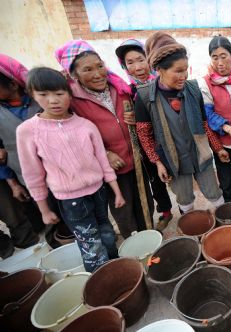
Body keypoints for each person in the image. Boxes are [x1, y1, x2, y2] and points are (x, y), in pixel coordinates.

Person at [17, 67, 123, 272]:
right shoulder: (28, 131)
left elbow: (102, 160)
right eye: (43, 95)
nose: (53, 100)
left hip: (99, 191)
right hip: (70, 199)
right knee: (89, 241)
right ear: (32, 95)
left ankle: (117, 265)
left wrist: (116, 191)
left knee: (106, 230)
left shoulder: (85, 125)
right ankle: (101, 278)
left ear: (69, 94)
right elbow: (33, 175)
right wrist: (44, 210)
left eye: (59, 93)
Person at [55, 40, 153, 238]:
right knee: (123, 210)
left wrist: (135, 116)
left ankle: (150, 235)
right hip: (110, 167)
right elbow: (71, 137)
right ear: (74, 75)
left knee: (146, 203)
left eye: (100, 66)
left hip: (135, 157)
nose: (98, 74)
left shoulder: (121, 89)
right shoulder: (72, 100)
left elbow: (139, 117)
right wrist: (105, 154)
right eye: (88, 69)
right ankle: (135, 243)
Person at [135, 32, 224, 214]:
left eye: (185, 69)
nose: (184, 75)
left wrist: (217, 147)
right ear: (159, 69)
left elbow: (203, 123)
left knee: (213, 191)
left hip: (200, 153)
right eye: (178, 71)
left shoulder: (193, 89)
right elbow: (144, 135)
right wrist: (158, 162)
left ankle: (226, 220)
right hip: (173, 159)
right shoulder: (144, 97)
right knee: (184, 197)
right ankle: (191, 228)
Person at [115, 39, 173, 230]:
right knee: (155, 179)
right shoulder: (124, 90)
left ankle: (186, 207)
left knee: (175, 175)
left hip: (167, 137)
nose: (137, 66)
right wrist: (128, 115)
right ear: (124, 66)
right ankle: (165, 211)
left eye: (141, 59)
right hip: (144, 141)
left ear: (149, 59)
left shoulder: (162, 82)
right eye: (130, 62)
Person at [0, 54, 45, 258]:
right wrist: (14, 185)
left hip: (61, 175)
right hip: (28, 179)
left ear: (12, 84)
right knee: (45, 218)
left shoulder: (42, 100)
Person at [198, 36, 231, 203]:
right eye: (215, 57)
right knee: (226, 178)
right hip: (222, 142)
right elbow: (207, 113)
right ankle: (229, 205)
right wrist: (227, 128)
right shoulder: (206, 83)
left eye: (223, 56)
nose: (220, 62)